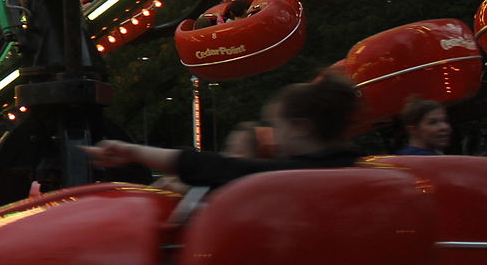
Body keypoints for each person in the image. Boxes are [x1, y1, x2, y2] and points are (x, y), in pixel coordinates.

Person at [83, 71, 362, 190]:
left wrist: (133, 151)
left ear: (302, 127)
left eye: (277, 126)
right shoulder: (358, 171)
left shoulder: (292, 179)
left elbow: (218, 168)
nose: (273, 137)